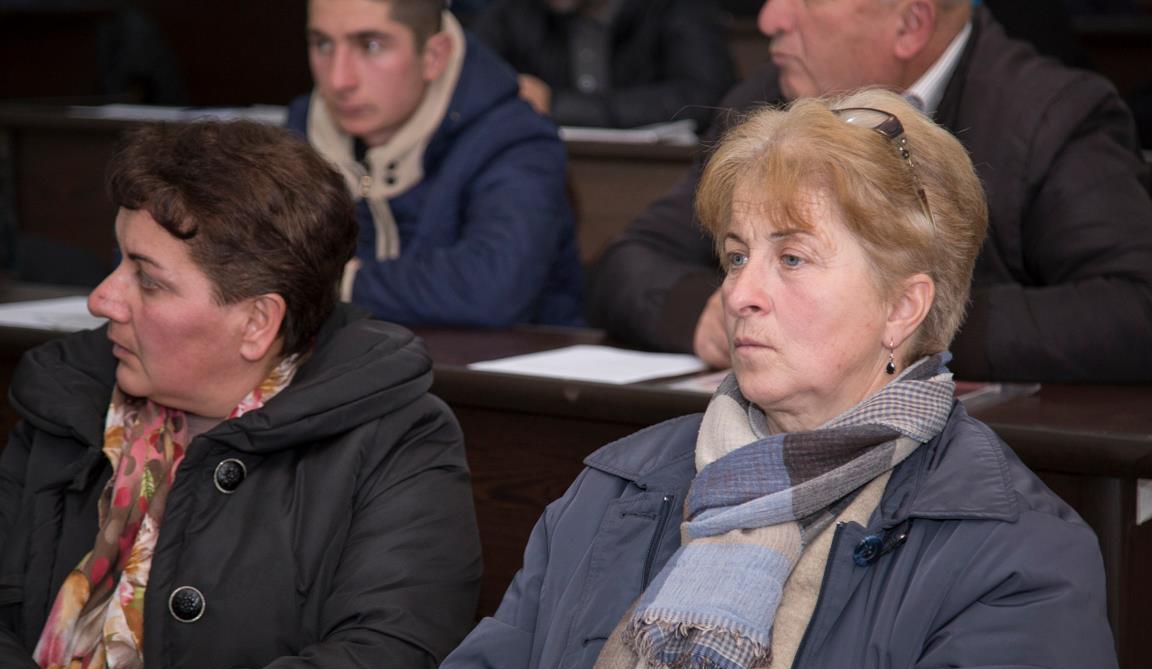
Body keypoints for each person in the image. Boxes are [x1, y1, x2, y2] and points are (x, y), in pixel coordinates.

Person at [399, 89, 1124, 669]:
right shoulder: (616, 488)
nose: (739, 292)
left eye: (792, 257)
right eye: (738, 255)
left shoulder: (1017, 554)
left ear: (903, 308)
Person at [0, 120, 482, 669]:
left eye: (147, 279)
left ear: (257, 322)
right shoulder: (70, 400)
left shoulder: (397, 438)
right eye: (117, 261)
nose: (101, 299)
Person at [588, 0, 1152, 383]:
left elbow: (1134, 309)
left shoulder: (1050, 116)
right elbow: (629, 261)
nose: (769, 18)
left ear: (910, 24)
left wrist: (898, 327)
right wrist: (706, 313)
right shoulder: (765, 103)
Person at [287, 0, 583, 328]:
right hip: (356, 355)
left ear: (434, 56)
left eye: (371, 46)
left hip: (511, 360)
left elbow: (491, 290)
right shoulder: (300, 130)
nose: (339, 79)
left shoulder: (516, 137)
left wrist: (337, 282)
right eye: (323, 44)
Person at [472, 0, 736, 132]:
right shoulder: (515, 11)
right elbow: (468, 81)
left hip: (657, 178)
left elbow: (706, 98)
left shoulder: (678, 8)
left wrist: (557, 105)